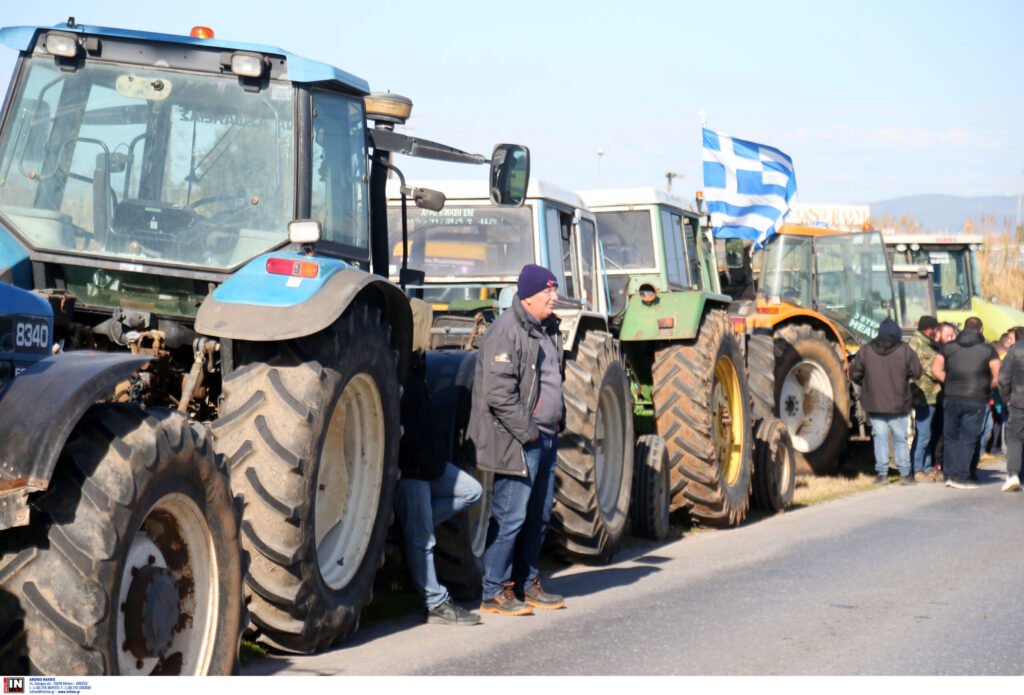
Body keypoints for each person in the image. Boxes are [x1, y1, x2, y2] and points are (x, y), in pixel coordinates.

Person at [468, 264, 566, 616]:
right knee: (510, 516)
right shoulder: (505, 332)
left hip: (547, 437)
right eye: (548, 292)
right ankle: (494, 590)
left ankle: (525, 583)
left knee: (539, 517)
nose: (554, 297)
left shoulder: (547, 330)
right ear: (527, 296)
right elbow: (499, 394)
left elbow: (553, 380)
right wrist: (529, 432)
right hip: (520, 439)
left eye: (554, 290)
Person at [394, 303, 484, 626]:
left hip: (431, 468)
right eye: (423, 324)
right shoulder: (396, 369)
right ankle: (435, 603)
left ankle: (413, 528)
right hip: (414, 471)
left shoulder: (417, 365)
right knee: (424, 539)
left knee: (472, 491)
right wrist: (417, 459)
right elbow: (401, 432)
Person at [849, 317, 922, 485]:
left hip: (874, 403)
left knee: (880, 439)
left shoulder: (866, 350)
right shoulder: (905, 350)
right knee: (900, 439)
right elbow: (917, 372)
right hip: (899, 403)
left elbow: (855, 374)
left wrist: (866, 383)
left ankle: (882, 475)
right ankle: (905, 475)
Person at [932, 316, 1001, 490]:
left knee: (950, 436)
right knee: (968, 438)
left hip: (951, 397)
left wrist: (949, 382)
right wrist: (986, 386)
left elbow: (935, 369)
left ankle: (948, 474)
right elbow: (998, 376)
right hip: (975, 399)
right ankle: (961, 476)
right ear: (981, 330)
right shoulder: (988, 350)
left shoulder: (948, 347)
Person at [909, 316, 942, 481]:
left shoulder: (927, 345)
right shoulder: (919, 346)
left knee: (927, 435)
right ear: (929, 329)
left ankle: (927, 467)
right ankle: (916, 468)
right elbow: (933, 370)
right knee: (923, 434)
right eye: (935, 329)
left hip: (931, 395)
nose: (937, 333)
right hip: (924, 396)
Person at [998, 326, 1024, 491]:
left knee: (1015, 437)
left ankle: (1013, 474)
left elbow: (1003, 377)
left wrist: (1006, 397)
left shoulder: (1015, 349)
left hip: (1018, 399)